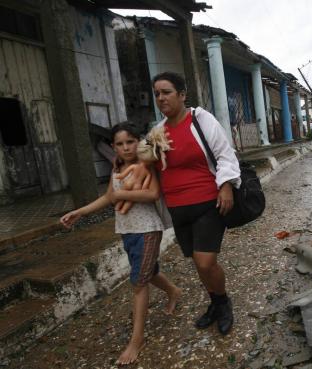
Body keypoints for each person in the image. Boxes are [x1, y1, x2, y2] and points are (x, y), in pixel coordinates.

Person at [60, 123, 182, 365]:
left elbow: (153, 194)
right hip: (126, 231)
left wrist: (122, 195)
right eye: (120, 144)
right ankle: (173, 291)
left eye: (130, 141)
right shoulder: (118, 165)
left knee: (138, 283)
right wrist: (80, 212)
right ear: (113, 147)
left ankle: (136, 341)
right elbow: (108, 196)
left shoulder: (147, 164)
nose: (126, 148)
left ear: (138, 141)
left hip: (147, 230)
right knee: (148, 272)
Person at [152, 71, 240, 335]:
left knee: (205, 262)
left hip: (206, 203)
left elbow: (225, 154)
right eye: (157, 93)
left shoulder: (200, 120)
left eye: (166, 92)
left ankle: (224, 303)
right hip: (177, 208)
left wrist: (225, 185)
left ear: (181, 94)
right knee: (196, 261)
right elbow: (150, 165)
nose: (160, 98)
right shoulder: (157, 132)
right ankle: (214, 303)